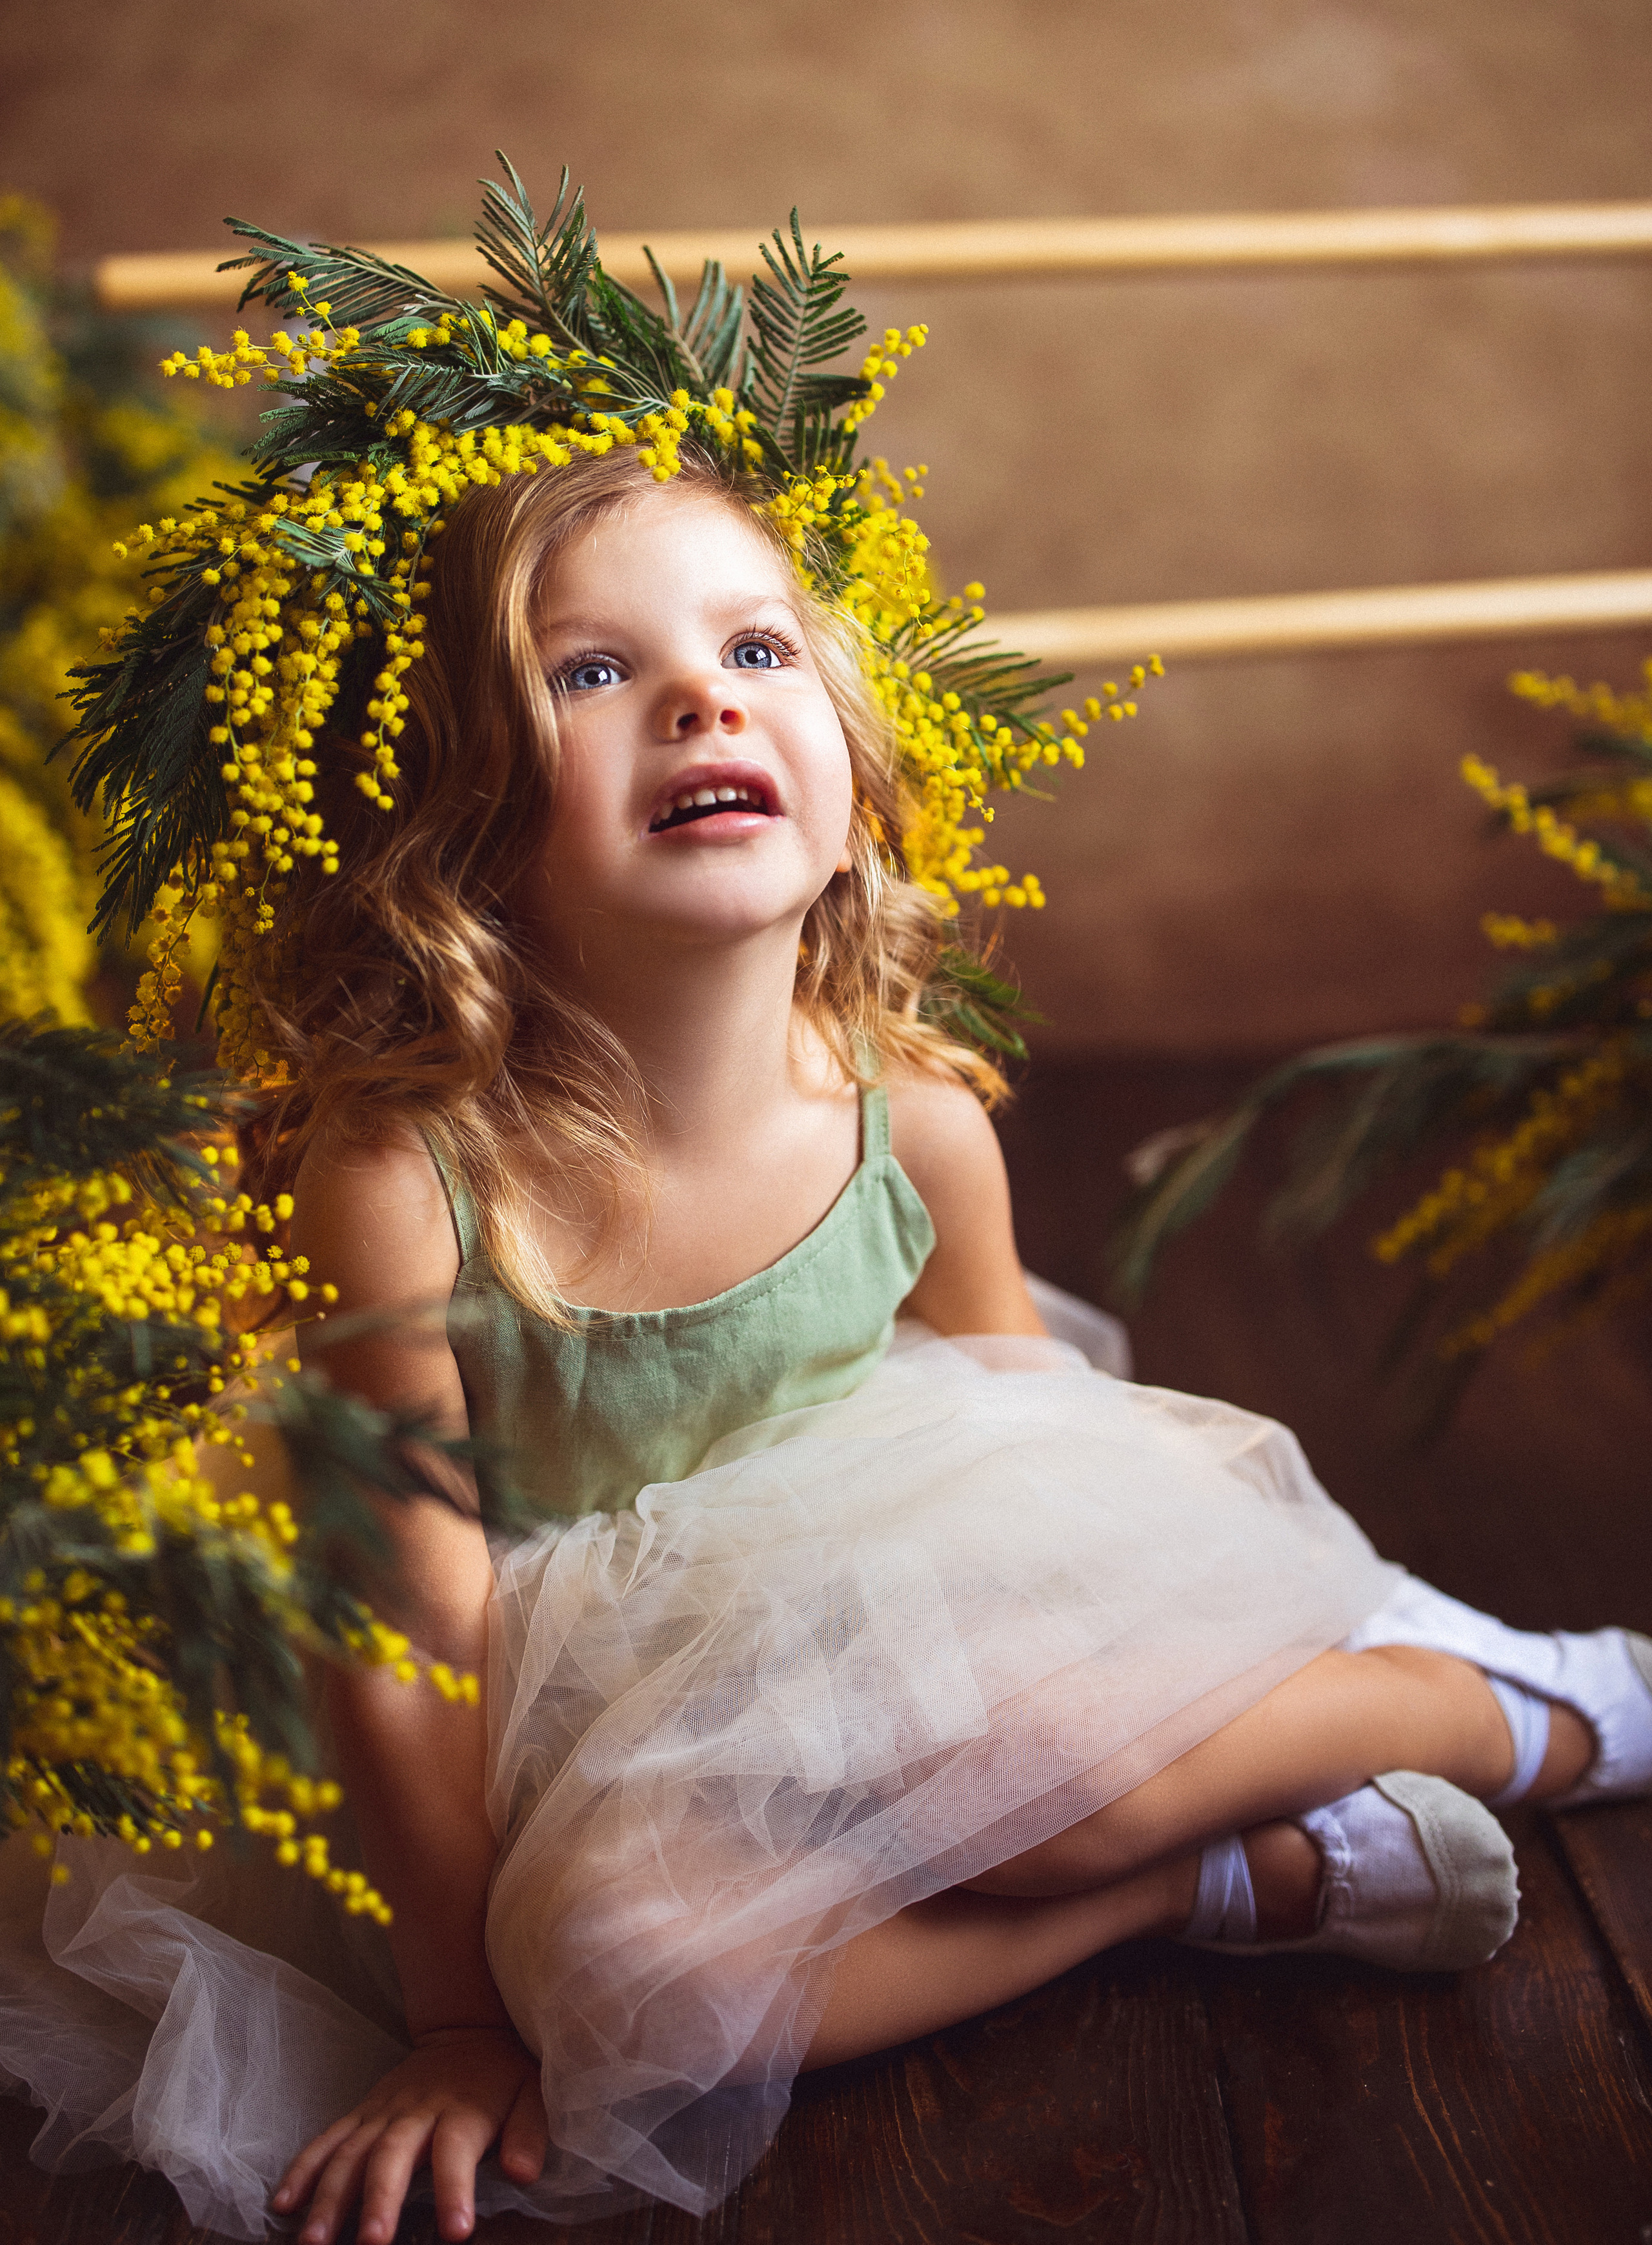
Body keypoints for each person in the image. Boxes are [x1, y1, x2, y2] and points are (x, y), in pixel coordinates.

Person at [19, 189, 1649, 2244]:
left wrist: (1090, 1700)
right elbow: (411, 1627)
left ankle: (1522, 1702)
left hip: (871, 1617)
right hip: (537, 1707)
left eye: (755, 648)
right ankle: (1241, 1880)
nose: (700, 700)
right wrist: (457, 2011)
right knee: (620, 1983)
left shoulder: (912, 1119)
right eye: (595, 671)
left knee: (1080, 1762)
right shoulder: (405, 1183)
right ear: (463, 824)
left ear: (855, 775)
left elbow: (1047, 1457)